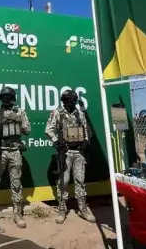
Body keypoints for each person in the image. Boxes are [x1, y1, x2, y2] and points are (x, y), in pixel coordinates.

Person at [45, 89, 96, 225]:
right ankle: (62, 209)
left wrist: (85, 140)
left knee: (80, 180)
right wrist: (56, 141)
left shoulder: (80, 113)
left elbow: (85, 129)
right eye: (70, 101)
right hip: (65, 152)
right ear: (64, 101)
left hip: (79, 152)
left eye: (74, 100)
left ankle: (83, 208)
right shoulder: (58, 113)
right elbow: (48, 129)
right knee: (64, 181)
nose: (72, 103)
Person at [0, 86, 30, 231]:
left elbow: (28, 130)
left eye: (8, 97)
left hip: (15, 151)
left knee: (16, 183)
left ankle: (17, 214)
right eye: (3, 97)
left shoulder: (20, 112)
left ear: (13, 98)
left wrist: (18, 121)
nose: (6, 99)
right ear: (0, 98)